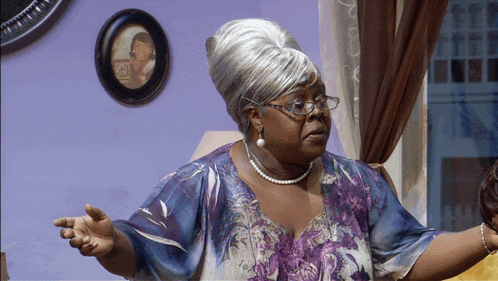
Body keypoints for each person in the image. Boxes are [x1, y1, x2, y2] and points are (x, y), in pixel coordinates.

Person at [54, 19, 498, 280]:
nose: (318, 113)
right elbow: (148, 253)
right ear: (254, 117)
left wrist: (489, 236)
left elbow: (407, 256)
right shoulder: (202, 188)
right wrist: (112, 244)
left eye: (320, 99)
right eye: (299, 105)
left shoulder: (356, 184)